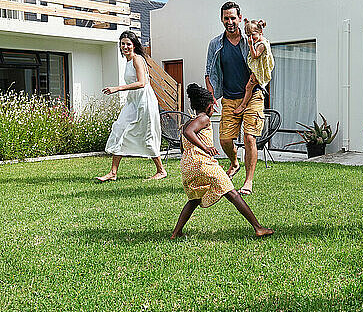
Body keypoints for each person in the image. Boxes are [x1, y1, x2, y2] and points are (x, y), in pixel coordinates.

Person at [171, 83, 273, 239]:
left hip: (188, 166)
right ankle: (258, 228)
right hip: (203, 163)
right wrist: (205, 148)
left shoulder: (190, 120)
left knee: (194, 199)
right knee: (232, 193)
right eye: (213, 105)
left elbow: (183, 144)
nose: (215, 109)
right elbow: (188, 132)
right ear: (209, 106)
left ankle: (176, 232)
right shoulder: (203, 118)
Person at [205, 2, 264, 196]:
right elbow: (209, 72)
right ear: (221, 19)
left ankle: (248, 181)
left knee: (249, 137)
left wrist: (254, 84)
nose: (230, 21)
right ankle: (234, 162)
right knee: (224, 140)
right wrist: (211, 98)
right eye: (226, 18)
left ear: (240, 18)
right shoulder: (215, 43)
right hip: (229, 98)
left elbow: (264, 64)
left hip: (253, 94)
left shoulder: (250, 41)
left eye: (233, 17)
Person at [96, 31, 167, 182]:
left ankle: (161, 170)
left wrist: (117, 88)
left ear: (134, 45)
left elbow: (142, 83)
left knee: (148, 134)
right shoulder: (127, 61)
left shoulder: (137, 59)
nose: (125, 46)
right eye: (123, 43)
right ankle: (113, 173)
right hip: (133, 102)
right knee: (120, 127)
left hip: (145, 101)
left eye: (128, 44)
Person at [233, 18, 275, 115]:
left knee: (249, 87)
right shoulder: (260, 40)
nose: (250, 38)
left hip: (259, 72)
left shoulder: (262, 44)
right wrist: (246, 23)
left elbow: (255, 55)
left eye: (253, 35)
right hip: (257, 70)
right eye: (248, 35)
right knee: (249, 87)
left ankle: (243, 104)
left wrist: (251, 45)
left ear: (260, 31)